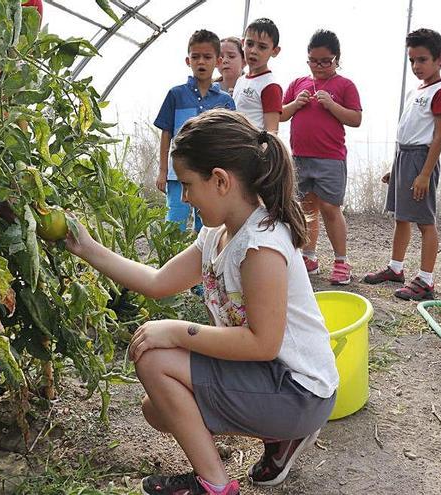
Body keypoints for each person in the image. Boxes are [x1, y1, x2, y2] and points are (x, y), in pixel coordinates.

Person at [65, 109, 339, 494]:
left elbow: (264, 343)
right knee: (157, 409)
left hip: (298, 392)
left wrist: (178, 332)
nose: (185, 196)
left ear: (221, 180)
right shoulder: (217, 235)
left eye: (189, 184)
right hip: (270, 380)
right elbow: (158, 281)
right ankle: (280, 440)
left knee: (155, 360)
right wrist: (85, 247)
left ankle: (215, 485)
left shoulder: (261, 247)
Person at [365, 28, 441, 300]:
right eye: (412, 60)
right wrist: (396, 168)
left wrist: (425, 173)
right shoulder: (417, 90)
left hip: (421, 159)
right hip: (404, 157)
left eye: (422, 60)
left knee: (424, 221)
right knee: (401, 217)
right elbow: (408, 129)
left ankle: (426, 279)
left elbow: (438, 136)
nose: (416, 66)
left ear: (439, 59)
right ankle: (396, 267)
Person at [280, 30, 362, 285]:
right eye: (314, 60)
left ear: (337, 59)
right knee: (306, 209)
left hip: (330, 158)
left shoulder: (345, 85)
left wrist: (331, 105)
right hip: (300, 157)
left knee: (329, 208)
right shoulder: (298, 83)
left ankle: (341, 261)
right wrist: (295, 104)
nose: (319, 66)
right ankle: (309, 256)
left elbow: (356, 119)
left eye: (326, 61)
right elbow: (280, 114)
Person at [154, 30, 235, 232]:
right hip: (177, 175)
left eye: (207, 57)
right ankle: (170, 261)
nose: (201, 62)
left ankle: (206, 264)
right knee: (174, 224)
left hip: (211, 176)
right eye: (195, 56)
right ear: (187, 60)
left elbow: (230, 140)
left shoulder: (225, 101)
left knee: (209, 227)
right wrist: (163, 171)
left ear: (218, 61)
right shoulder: (176, 95)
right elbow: (166, 133)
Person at [233, 18, 283, 133]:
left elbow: (271, 132)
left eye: (262, 47)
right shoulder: (241, 80)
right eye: (249, 44)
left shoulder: (270, 86)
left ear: (275, 51)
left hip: (254, 148)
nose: (253, 51)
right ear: (242, 43)